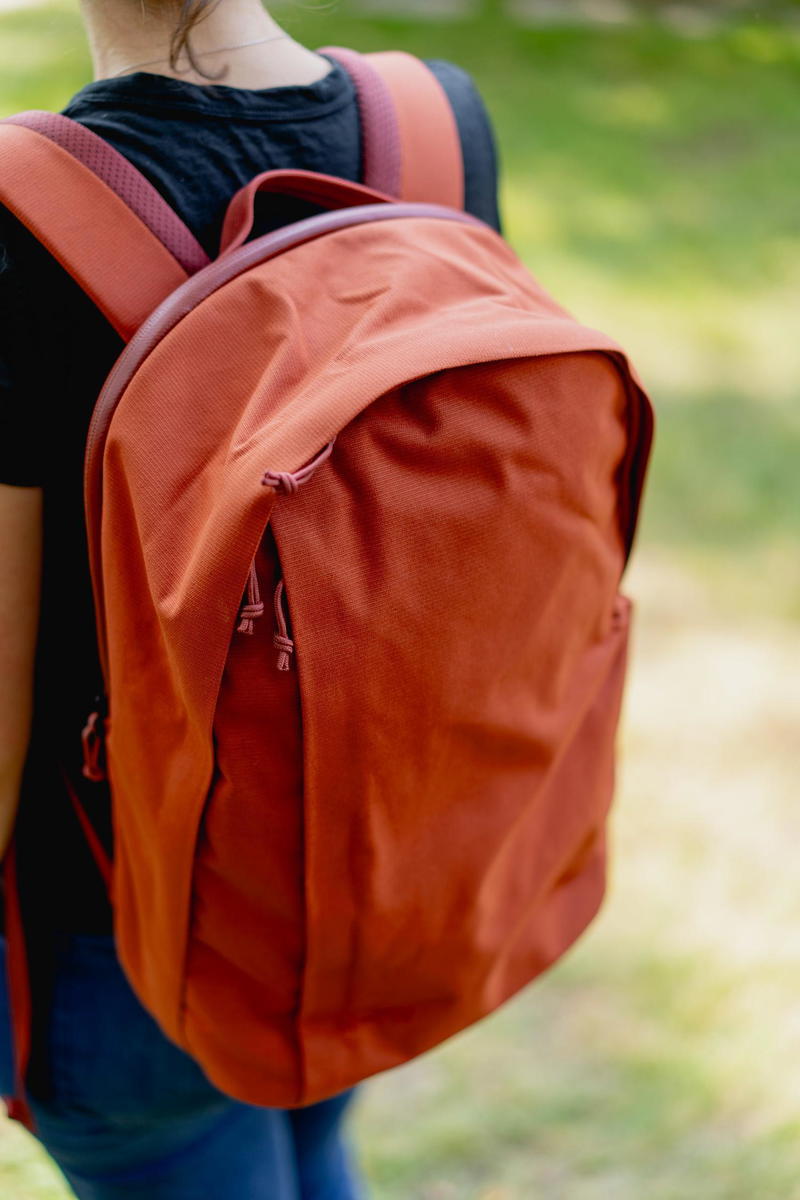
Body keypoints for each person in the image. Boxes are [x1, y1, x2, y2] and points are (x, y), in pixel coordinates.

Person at [0, 0, 503, 1195]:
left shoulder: (25, 217)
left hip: (130, 932)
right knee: (311, 1151)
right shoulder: (436, 127)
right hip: (365, 860)